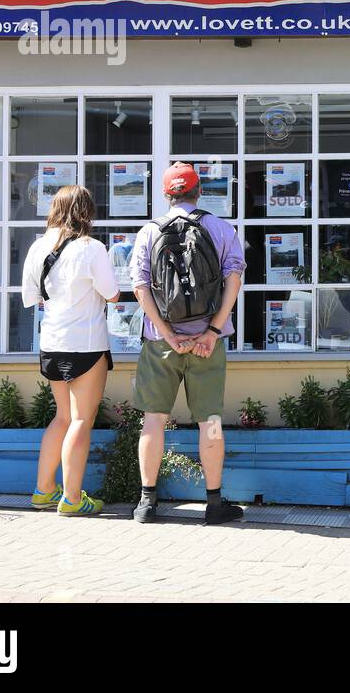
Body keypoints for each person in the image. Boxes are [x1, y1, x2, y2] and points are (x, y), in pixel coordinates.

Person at [130, 162, 245, 524]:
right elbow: (234, 278)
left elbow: (140, 287)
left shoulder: (149, 231)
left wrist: (167, 333)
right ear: (199, 192)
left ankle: (147, 503)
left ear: (166, 194)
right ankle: (214, 503)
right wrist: (212, 331)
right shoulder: (221, 228)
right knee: (210, 421)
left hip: (160, 343)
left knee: (153, 420)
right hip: (207, 343)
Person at [20, 185, 119, 517]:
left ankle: (44, 490)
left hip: (51, 342)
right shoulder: (92, 248)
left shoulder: (38, 246)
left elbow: (31, 297)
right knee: (80, 420)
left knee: (62, 417)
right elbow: (112, 294)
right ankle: (73, 498)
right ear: (86, 212)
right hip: (86, 343)